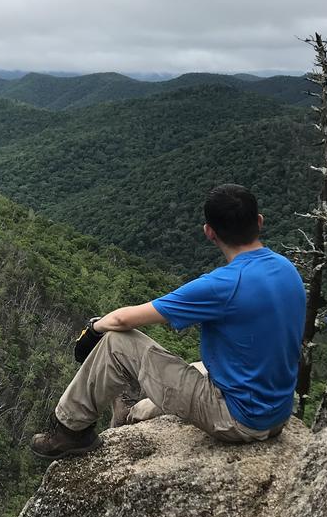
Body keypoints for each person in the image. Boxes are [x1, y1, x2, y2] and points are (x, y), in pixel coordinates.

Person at [30, 184, 307, 459]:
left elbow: (123, 319)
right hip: (277, 411)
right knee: (190, 368)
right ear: (259, 221)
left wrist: (93, 330)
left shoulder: (221, 285)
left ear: (209, 232)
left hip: (237, 418)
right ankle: (135, 413)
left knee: (117, 342)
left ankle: (68, 429)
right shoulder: (286, 268)